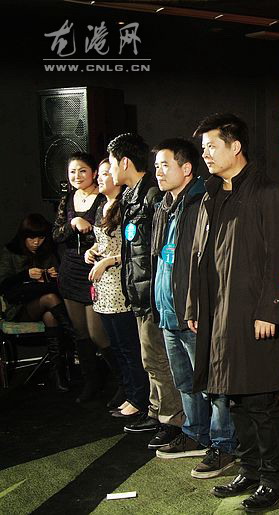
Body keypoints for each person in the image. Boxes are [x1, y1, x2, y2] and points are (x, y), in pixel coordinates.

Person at [187, 113, 279, 511]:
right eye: (203, 149)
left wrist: (270, 310)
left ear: (236, 147)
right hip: (218, 314)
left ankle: (276, 478)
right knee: (233, 398)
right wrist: (195, 306)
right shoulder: (211, 194)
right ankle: (250, 469)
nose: (206, 155)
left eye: (212, 146)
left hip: (254, 315)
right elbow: (199, 258)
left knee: (261, 402)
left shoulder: (269, 192)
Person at [150, 138, 237, 473]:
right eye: (156, 166)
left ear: (186, 169)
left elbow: (209, 262)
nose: (158, 172)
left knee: (213, 384)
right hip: (168, 310)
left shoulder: (203, 202)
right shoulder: (164, 205)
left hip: (194, 313)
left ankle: (223, 444)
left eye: (165, 165)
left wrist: (199, 307)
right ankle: (195, 434)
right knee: (185, 382)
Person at [107, 133, 183, 450]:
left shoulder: (151, 196)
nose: (110, 170)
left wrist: (156, 295)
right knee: (149, 359)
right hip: (139, 293)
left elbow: (160, 252)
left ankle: (171, 421)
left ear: (125, 162)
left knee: (159, 360)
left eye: (112, 163)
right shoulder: (131, 197)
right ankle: (155, 412)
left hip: (152, 295)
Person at [84, 159, 149, 417]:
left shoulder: (125, 206)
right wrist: (92, 251)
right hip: (103, 286)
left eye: (105, 173)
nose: (100, 178)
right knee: (115, 345)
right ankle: (128, 391)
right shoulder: (103, 205)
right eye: (100, 174)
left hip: (121, 285)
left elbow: (134, 250)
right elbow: (102, 242)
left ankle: (138, 398)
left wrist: (108, 261)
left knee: (128, 346)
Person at [53, 152, 115, 403]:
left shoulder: (103, 198)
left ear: (93, 173)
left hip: (94, 269)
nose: (77, 176)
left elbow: (106, 235)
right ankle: (91, 382)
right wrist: (73, 223)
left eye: (82, 171)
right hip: (70, 270)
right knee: (80, 333)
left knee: (97, 333)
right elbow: (56, 235)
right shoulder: (67, 199)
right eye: (72, 172)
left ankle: (123, 382)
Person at [0, 214, 73, 391]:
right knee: (50, 299)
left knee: (50, 315)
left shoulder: (47, 252)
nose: (36, 242)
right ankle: (75, 336)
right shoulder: (10, 252)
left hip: (48, 307)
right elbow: (3, 284)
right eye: (31, 238)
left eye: (40, 238)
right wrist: (26, 275)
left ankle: (58, 373)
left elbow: (61, 285)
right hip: (19, 308)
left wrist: (54, 276)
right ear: (23, 237)